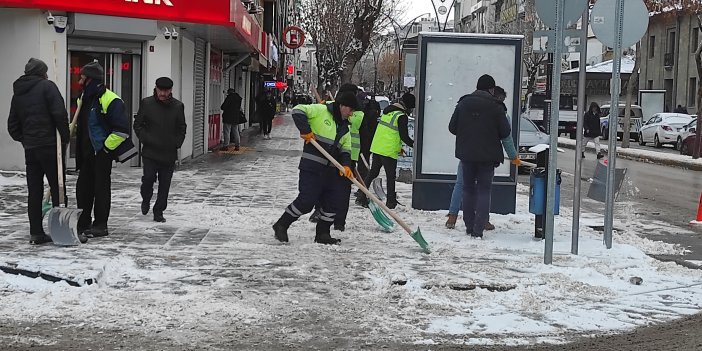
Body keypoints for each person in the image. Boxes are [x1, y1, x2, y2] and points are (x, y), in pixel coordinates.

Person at [271, 91, 359, 245]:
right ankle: (282, 224)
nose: (351, 114)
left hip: (331, 171)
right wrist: (305, 130)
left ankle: (323, 233)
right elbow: (298, 110)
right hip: (312, 168)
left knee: (332, 203)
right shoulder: (320, 110)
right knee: (306, 201)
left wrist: (346, 165)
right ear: (343, 106)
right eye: (351, 110)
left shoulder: (345, 127)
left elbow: (346, 147)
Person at [7, 58, 71, 245]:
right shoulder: (47, 87)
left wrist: (26, 140)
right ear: (42, 72)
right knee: (58, 188)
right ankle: (61, 230)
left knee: (34, 191)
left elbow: (12, 126)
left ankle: (36, 232)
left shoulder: (18, 94)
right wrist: (65, 138)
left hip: (31, 149)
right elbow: (59, 113)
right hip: (50, 147)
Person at [448, 74, 518, 238]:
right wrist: (513, 156)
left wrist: (467, 132)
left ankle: (468, 226)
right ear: (492, 89)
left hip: (467, 155)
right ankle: (478, 229)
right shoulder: (496, 107)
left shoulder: (463, 103)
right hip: (488, 157)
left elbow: (452, 127)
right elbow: (505, 134)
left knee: (468, 189)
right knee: (484, 191)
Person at [74, 61, 130, 238]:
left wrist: (105, 149)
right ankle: (83, 223)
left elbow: (121, 131)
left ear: (90, 79)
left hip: (101, 154)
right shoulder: (83, 98)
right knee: (83, 189)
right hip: (86, 153)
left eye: (82, 77)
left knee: (101, 189)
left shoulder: (111, 100)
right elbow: (83, 125)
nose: (79, 80)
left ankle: (100, 225)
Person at [133, 77, 187, 223]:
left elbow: (182, 127)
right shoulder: (147, 103)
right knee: (148, 178)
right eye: (160, 90)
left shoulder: (177, 106)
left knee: (165, 184)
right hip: (150, 151)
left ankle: (159, 211)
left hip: (168, 152)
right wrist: (145, 138)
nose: (163, 93)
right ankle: (146, 198)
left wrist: (177, 143)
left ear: (171, 90)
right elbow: (138, 125)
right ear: (156, 88)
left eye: (166, 90)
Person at [357, 93, 415, 209]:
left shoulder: (388, 112)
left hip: (378, 147)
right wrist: (415, 145)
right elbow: (404, 136)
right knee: (390, 176)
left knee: (373, 172)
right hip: (388, 150)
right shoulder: (401, 116)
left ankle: (361, 195)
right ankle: (390, 202)